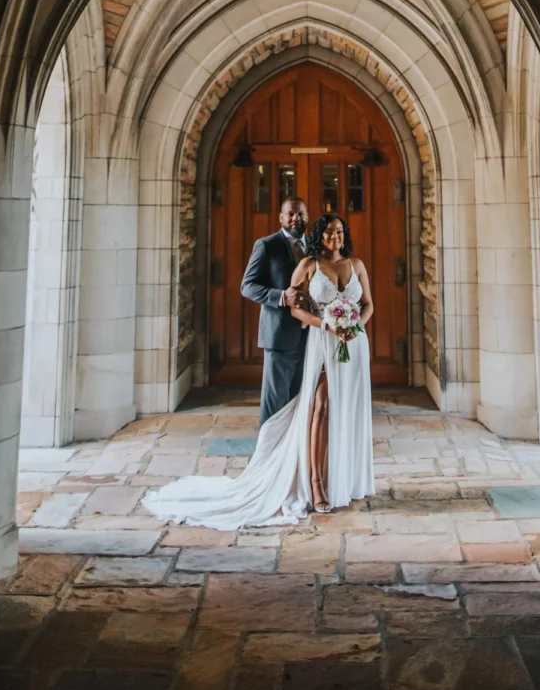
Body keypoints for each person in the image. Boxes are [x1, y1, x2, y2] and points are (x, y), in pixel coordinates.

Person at [142, 214, 374, 528]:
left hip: (354, 345)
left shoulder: (357, 265)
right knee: (320, 406)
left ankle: (343, 479)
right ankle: (316, 483)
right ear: (320, 236)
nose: (335, 236)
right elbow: (295, 307)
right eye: (330, 232)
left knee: (344, 410)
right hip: (322, 342)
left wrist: (355, 325)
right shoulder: (308, 265)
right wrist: (329, 324)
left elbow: (368, 304)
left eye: (340, 232)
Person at [240, 196, 310, 427]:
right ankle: (268, 456)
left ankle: (292, 456)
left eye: (300, 214)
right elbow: (247, 286)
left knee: (300, 400)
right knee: (275, 403)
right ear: (281, 217)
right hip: (280, 336)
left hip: (312, 336)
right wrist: (281, 297)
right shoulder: (267, 245)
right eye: (290, 214)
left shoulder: (315, 246)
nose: (295, 218)